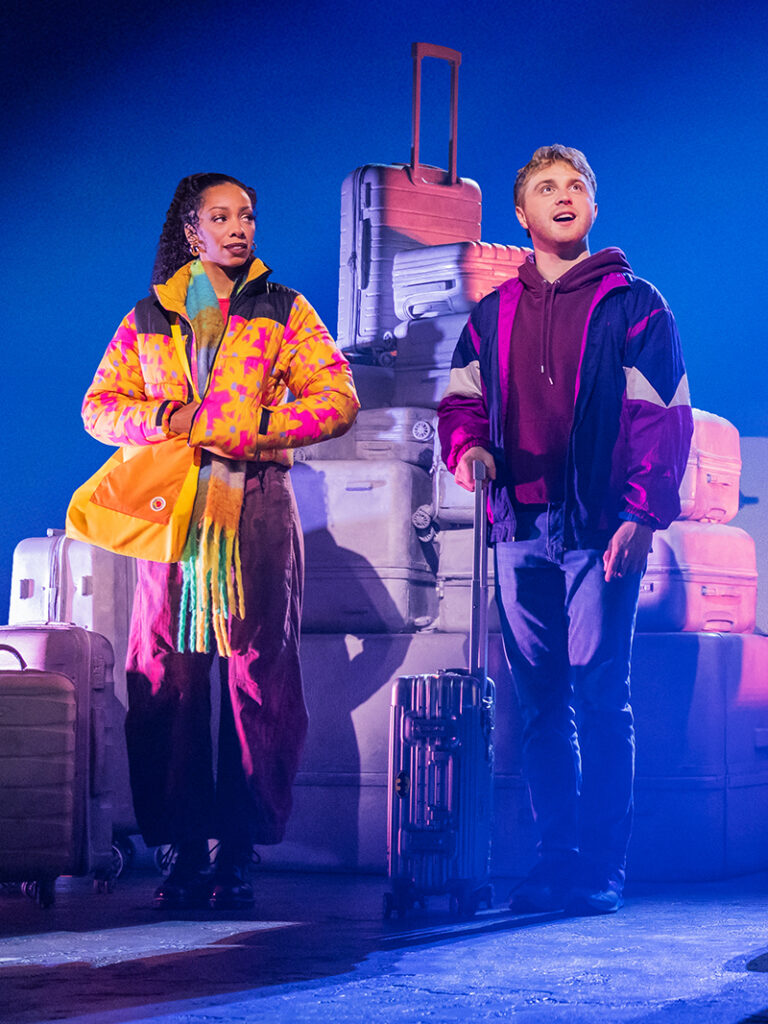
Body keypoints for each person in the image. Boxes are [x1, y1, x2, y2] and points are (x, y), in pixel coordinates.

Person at [81, 172, 360, 909]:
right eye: (222, 216)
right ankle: (178, 848)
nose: (240, 228)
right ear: (191, 230)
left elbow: (338, 398)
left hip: (258, 506)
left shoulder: (283, 309)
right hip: (175, 509)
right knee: (165, 675)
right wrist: (171, 417)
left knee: (257, 675)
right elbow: (100, 407)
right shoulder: (150, 317)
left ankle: (238, 846)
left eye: (248, 215)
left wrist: (258, 431)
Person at [437, 145, 692, 915]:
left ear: (592, 205)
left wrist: (642, 515)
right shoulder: (493, 312)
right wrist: (469, 449)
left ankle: (601, 869)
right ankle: (554, 860)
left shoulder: (634, 304)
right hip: (520, 529)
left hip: (597, 531)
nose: (563, 196)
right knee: (542, 703)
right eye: (545, 187)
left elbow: (662, 419)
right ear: (522, 215)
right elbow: (460, 403)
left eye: (575, 185)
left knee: (601, 695)